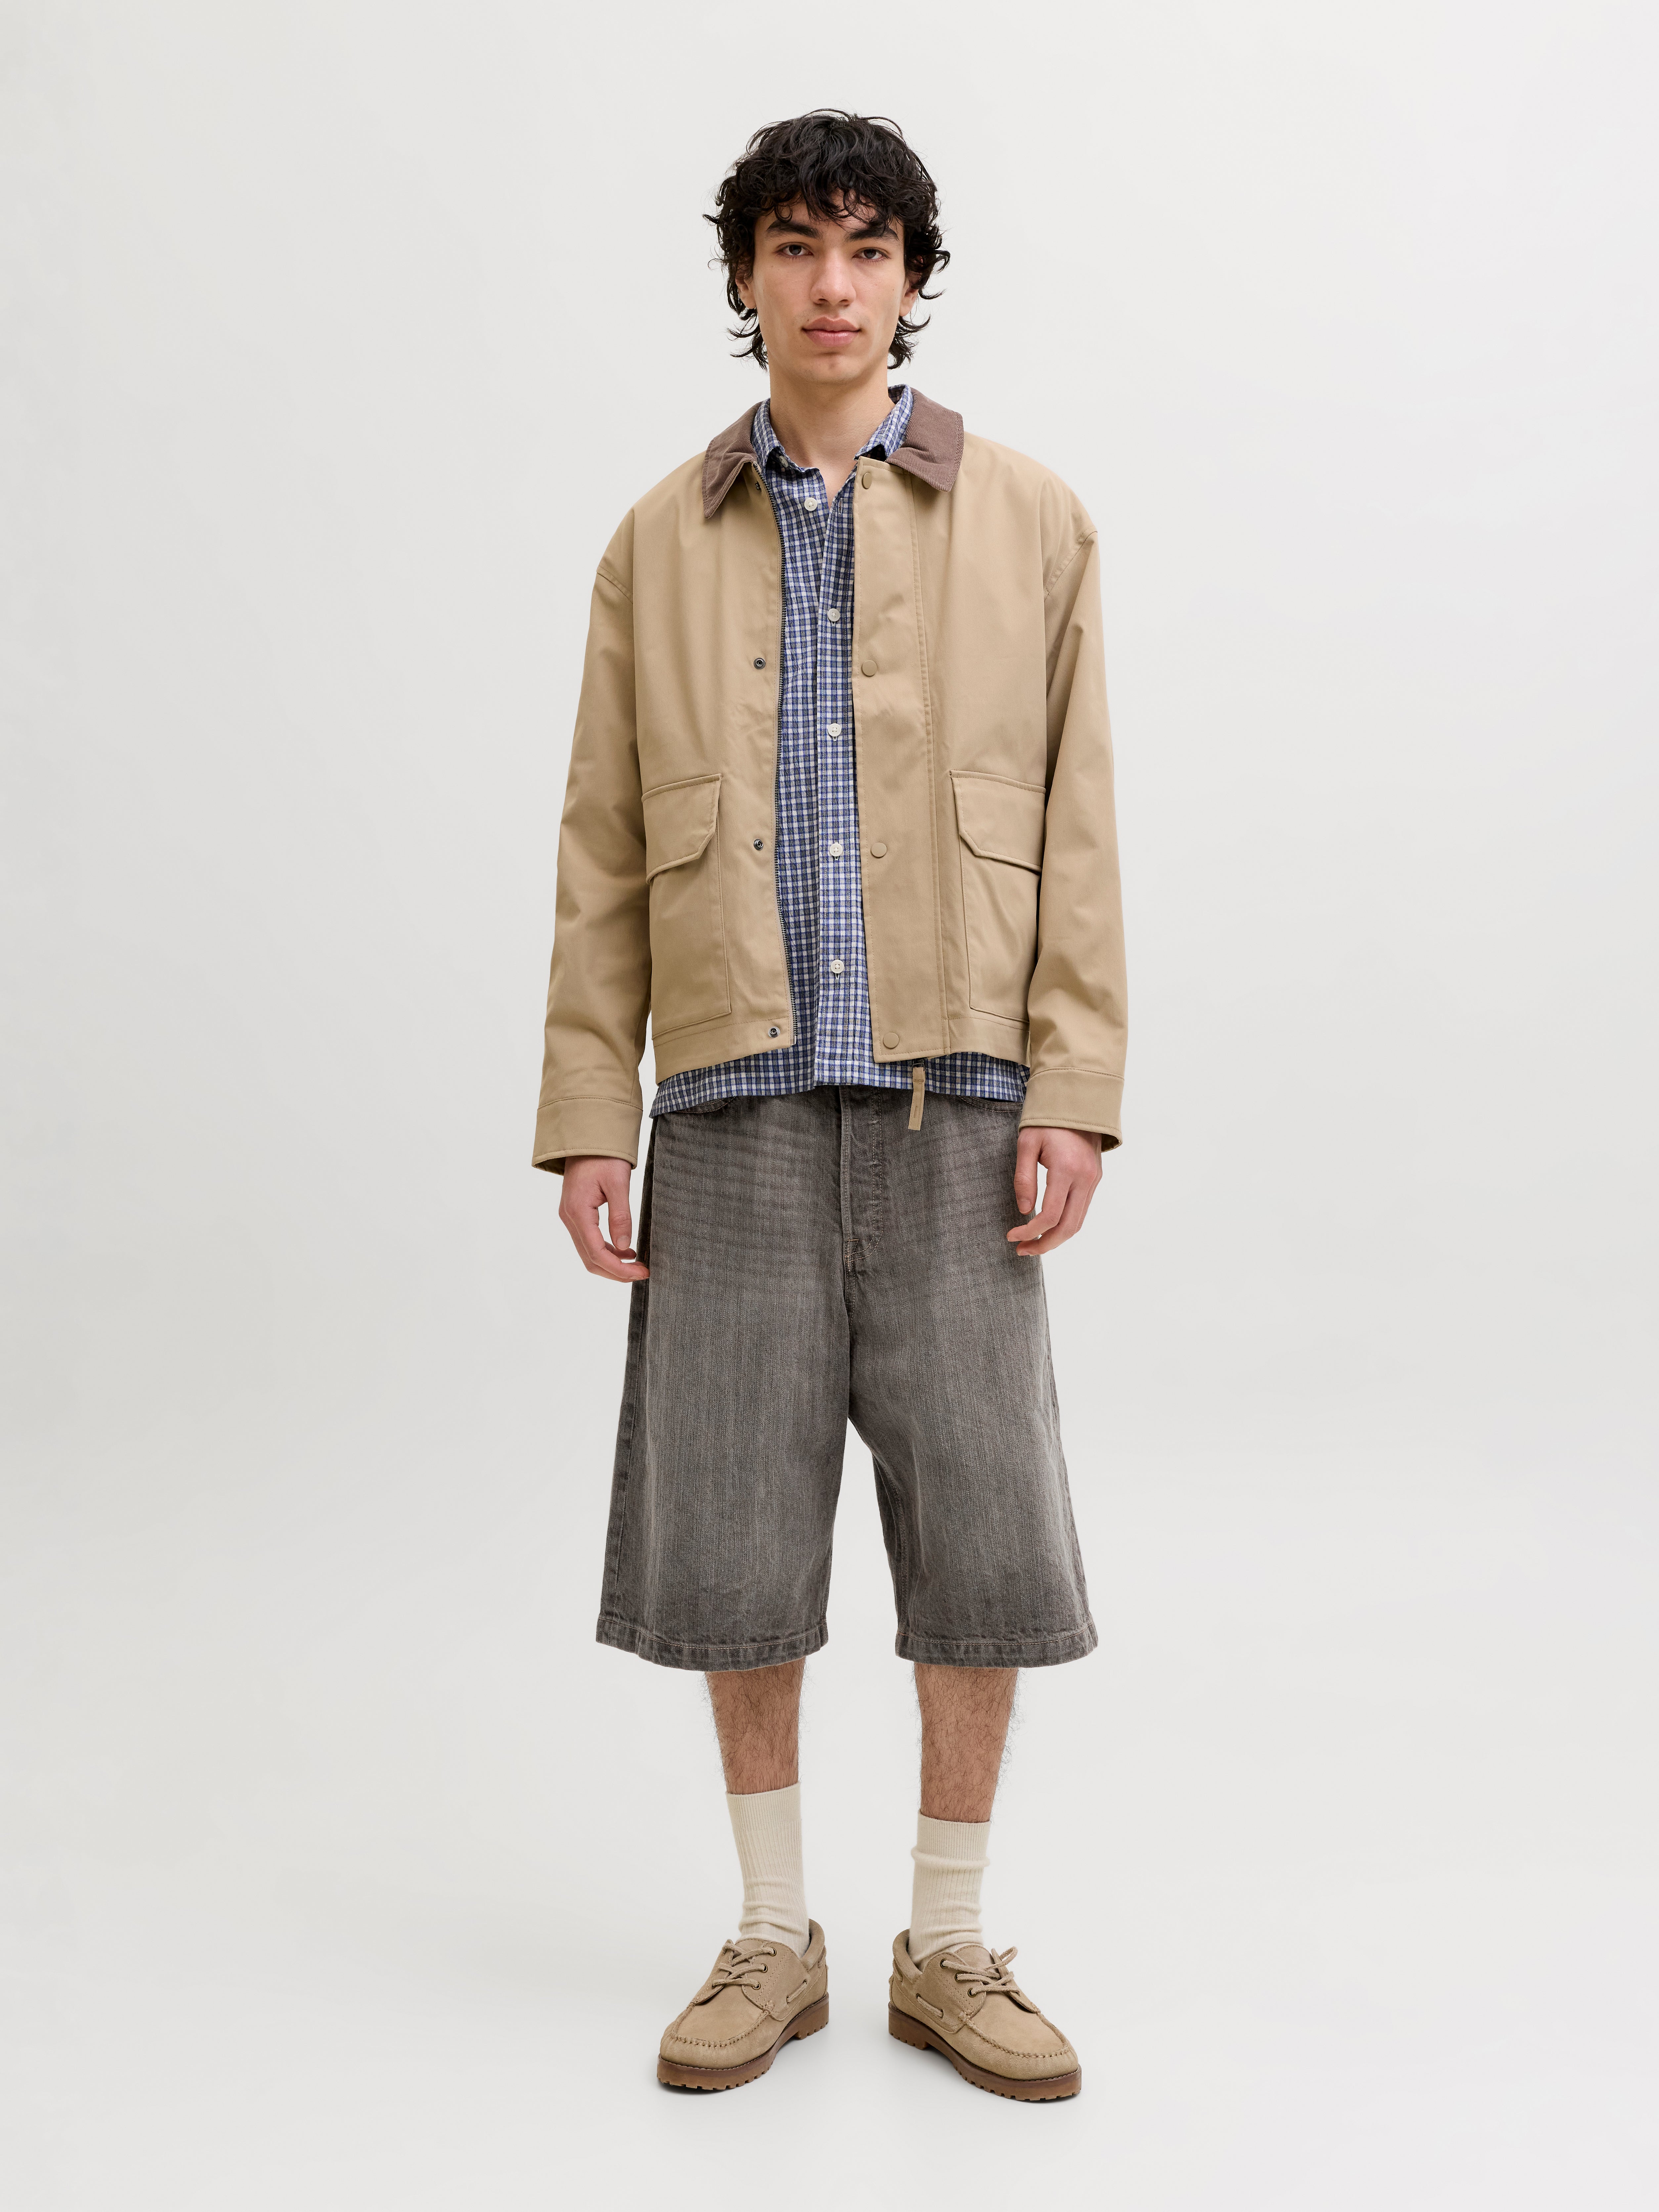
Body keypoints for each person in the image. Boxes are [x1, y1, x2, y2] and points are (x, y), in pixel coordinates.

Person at [533, 110, 1126, 2101]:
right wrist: (587, 1111)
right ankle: (772, 1933)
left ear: (912, 280)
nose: (831, 283)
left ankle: (947, 1941)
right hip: (730, 1102)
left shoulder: (1029, 519)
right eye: (794, 245)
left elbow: (1080, 823)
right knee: (727, 1529)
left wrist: (1075, 1086)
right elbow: (600, 846)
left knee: (984, 1532)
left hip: (959, 1101)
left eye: (868, 248)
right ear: (745, 280)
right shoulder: (655, 538)